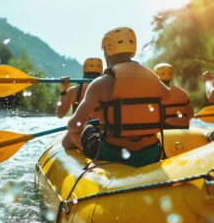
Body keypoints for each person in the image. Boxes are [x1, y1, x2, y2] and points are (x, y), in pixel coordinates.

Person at [62, 27, 170, 167]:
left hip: (113, 154)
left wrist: (78, 132)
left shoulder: (102, 82)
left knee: (80, 128)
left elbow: (74, 124)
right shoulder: (153, 77)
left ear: (108, 50)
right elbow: (167, 95)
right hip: (150, 153)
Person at [153, 63, 193, 129]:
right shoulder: (183, 92)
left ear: (155, 75)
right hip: (184, 128)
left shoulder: (156, 93)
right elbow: (191, 114)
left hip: (166, 130)